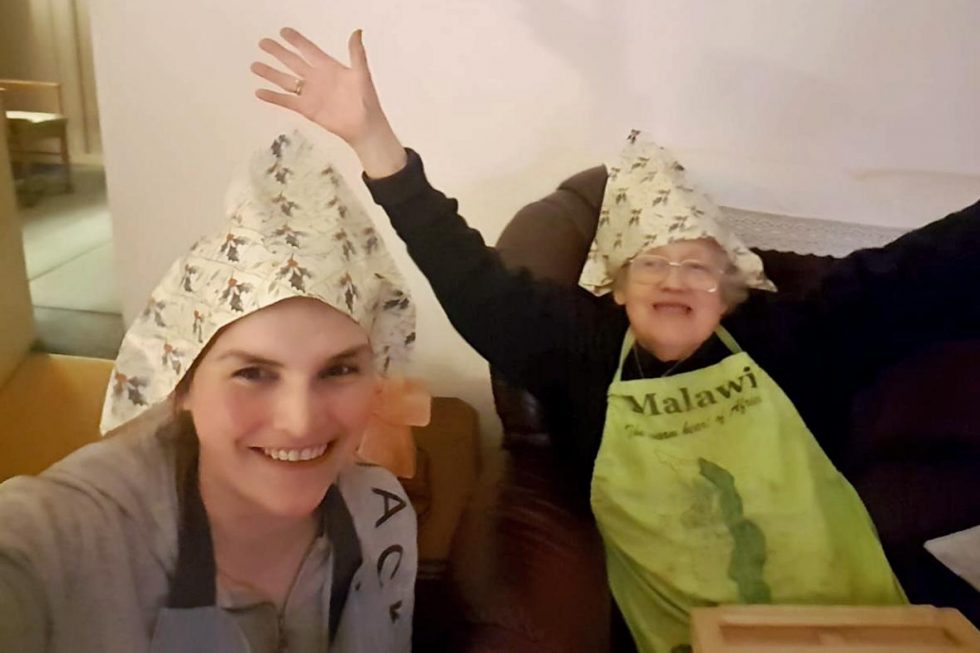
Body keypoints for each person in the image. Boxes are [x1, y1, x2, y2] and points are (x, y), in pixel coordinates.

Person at [252, 28, 980, 653]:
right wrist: (373, 142)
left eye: (696, 267)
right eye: (650, 266)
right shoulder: (586, 348)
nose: (673, 279)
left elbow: (923, 270)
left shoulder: (793, 333)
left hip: (864, 621)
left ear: (729, 291)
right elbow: (474, 283)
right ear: (620, 292)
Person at [0, 132, 423, 652]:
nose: (300, 422)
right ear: (181, 385)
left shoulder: (383, 516)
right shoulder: (77, 537)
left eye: (338, 370)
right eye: (254, 373)